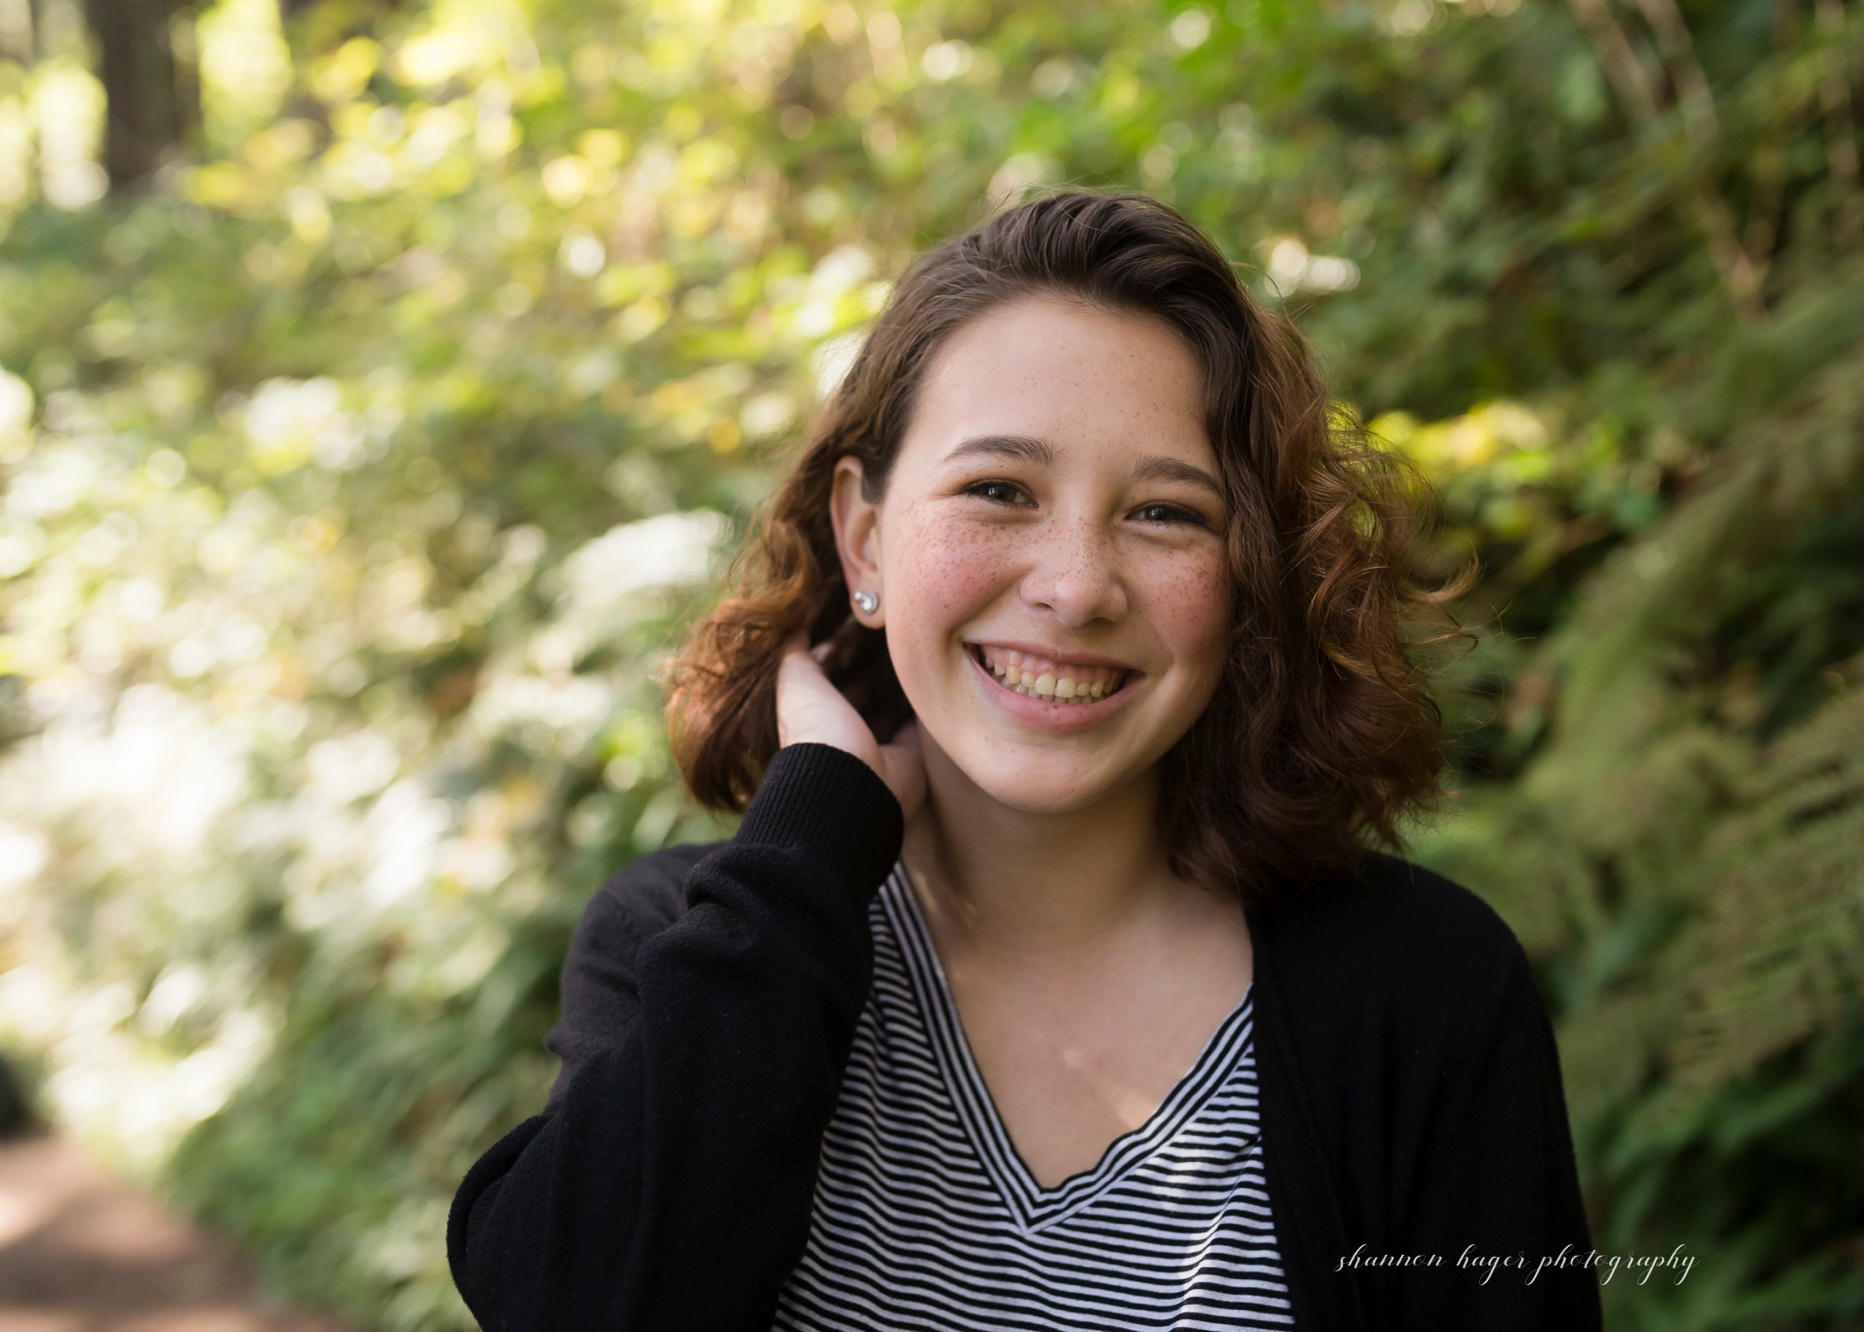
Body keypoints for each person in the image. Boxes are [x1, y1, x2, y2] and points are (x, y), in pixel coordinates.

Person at [446, 191, 1601, 1331]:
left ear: (1248, 571)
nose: (1075, 586)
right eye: (998, 491)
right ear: (863, 536)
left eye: (1165, 515)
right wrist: (806, 852)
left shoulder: (1425, 991)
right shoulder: (699, 951)